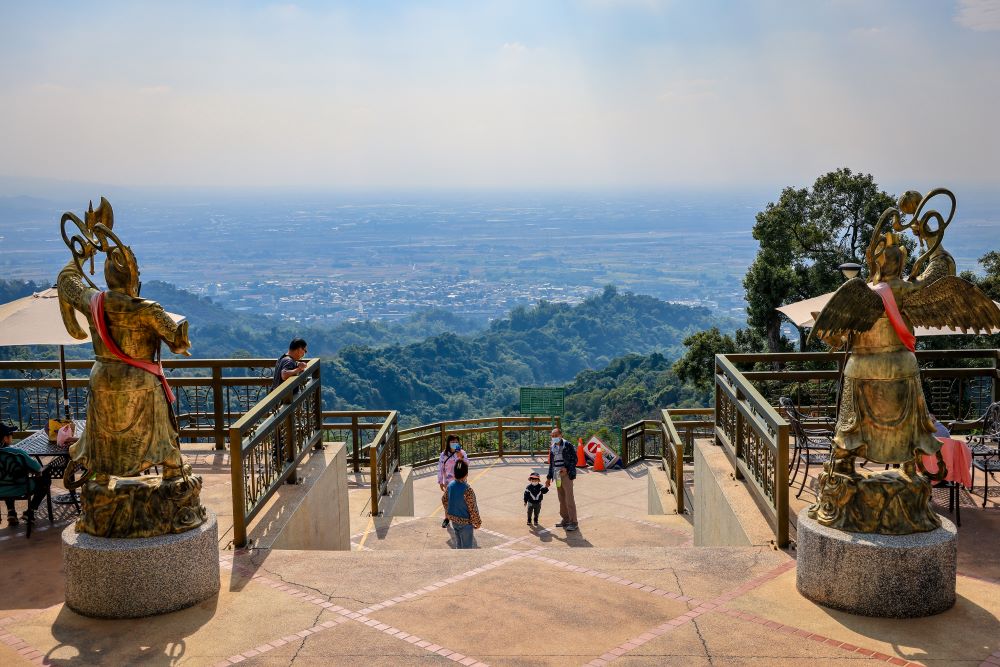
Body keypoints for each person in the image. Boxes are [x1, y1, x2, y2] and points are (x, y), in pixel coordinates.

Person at [0, 423, 52, 527]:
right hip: (21, 488)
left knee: (7, 478)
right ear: (5, 438)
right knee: (45, 478)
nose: (11, 437)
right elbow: (38, 468)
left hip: (1, 490)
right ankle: (31, 511)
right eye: (11, 435)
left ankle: (11, 513)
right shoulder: (17, 453)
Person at [442, 460, 481, 548]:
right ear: (466, 474)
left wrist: (448, 512)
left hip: (454, 521)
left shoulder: (450, 486)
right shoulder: (468, 490)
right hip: (466, 523)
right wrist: (477, 522)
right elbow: (473, 508)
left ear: (454, 474)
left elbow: (444, 499)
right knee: (467, 547)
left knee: (458, 545)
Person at [545, 426, 578, 531]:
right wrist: (548, 477)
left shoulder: (567, 445)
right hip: (557, 475)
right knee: (561, 498)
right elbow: (552, 464)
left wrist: (567, 468)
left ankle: (573, 522)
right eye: (552, 436)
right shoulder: (552, 447)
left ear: (561, 435)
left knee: (569, 498)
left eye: (556, 435)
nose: (554, 437)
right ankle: (565, 519)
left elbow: (575, 459)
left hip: (566, 475)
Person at [437, 435, 468, 528]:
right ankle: (447, 518)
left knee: (462, 500)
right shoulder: (444, 455)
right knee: (447, 501)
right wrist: (440, 481)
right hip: (448, 482)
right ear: (448, 443)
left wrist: (460, 457)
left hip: (461, 481)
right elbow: (440, 468)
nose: (454, 443)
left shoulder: (462, 453)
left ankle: (462, 519)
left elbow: (467, 463)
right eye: (452, 442)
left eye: (456, 442)